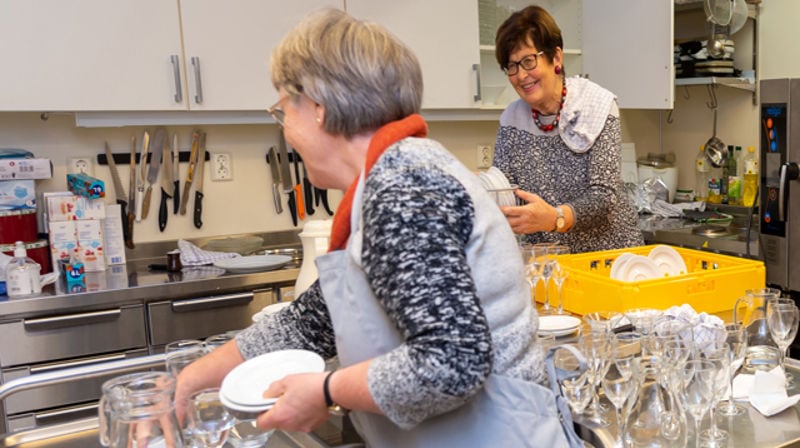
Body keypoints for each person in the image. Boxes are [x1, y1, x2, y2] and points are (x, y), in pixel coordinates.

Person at [175, 8, 583, 448]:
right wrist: (193, 377)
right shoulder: (388, 179)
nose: (285, 130)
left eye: (283, 110)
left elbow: (453, 362)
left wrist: (327, 391)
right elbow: (311, 321)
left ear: (318, 107)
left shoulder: (403, 187)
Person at [492, 5, 643, 254]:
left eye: (529, 61)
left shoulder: (596, 105)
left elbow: (603, 198)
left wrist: (554, 218)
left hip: (608, 260)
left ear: (556, 57)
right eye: (512, 66)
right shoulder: (512, 119)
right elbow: (506, 191)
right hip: (552, 264)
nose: (521, 75)